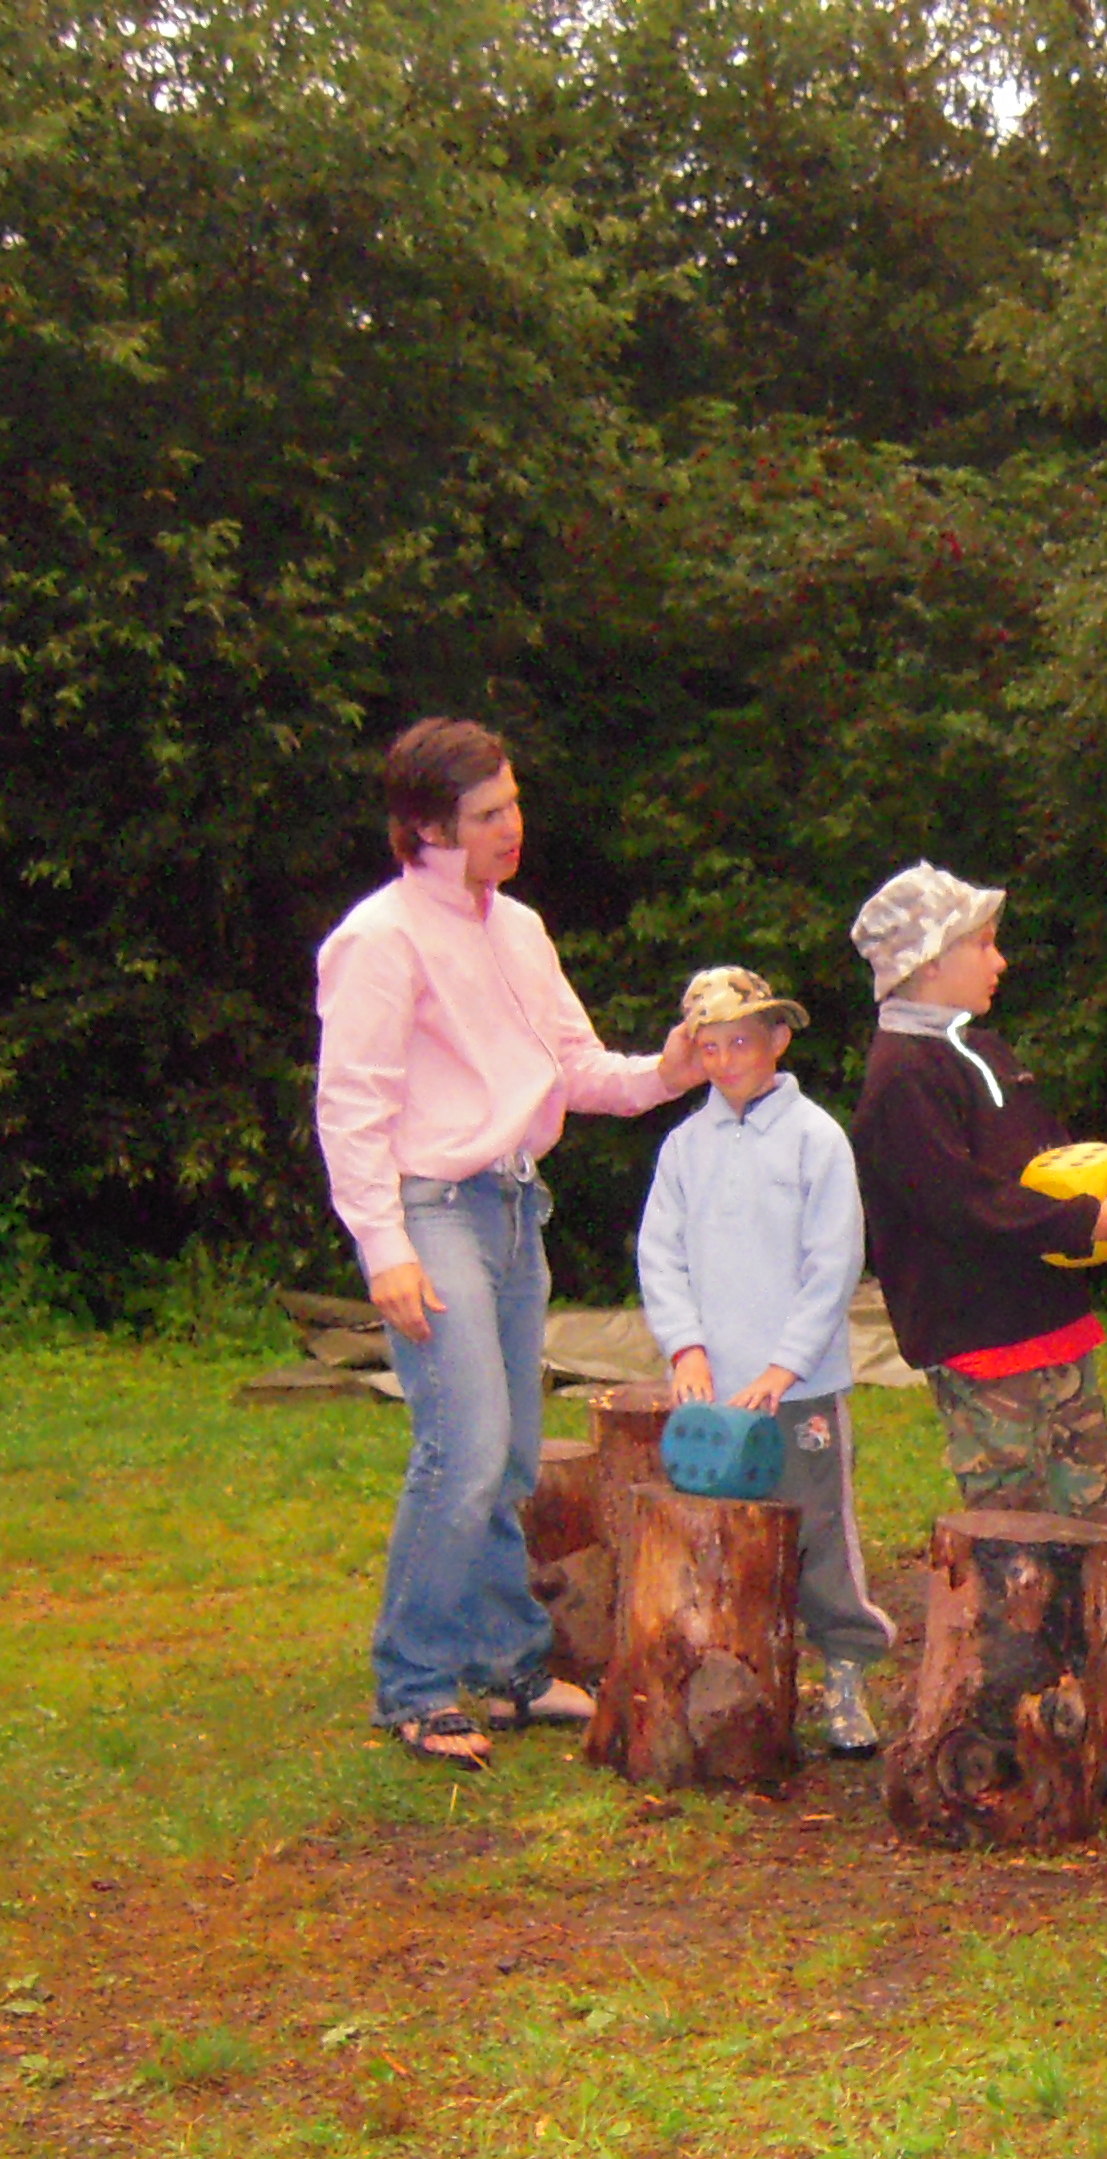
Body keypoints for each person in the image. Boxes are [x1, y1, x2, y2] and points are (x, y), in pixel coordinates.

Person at [314, 718, 702, 1771]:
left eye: (514, 803)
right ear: (429, 830)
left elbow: (573, 1067)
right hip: (430, 1209)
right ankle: (415, 1685)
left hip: (515, 1207)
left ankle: (509, 1668)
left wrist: (668, 1070)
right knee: (465, 1447)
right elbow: (350, 1106)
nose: (512, 826)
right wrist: (384, 1247)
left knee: (515, 1455)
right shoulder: (379, 939)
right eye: (488, 814)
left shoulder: (520, 929)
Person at [634, 966, 892, 1757]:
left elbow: (833, 1262)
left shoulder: (815, 1138)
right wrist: (686, 1346)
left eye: (741, 1042)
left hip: (798, 1390)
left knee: (817, 1535)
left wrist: (786, 1366)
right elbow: (660, 1254)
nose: (725, 1061)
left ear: (778, 1038)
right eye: (708, 1047)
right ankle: (731, 1680)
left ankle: (845, 1673)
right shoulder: (684, 1147)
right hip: (710, 1393)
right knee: (715, 1538)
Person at [850, 862, 1107, 1519]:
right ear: (930, 960)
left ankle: (1085, 1591)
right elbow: (962, 1202)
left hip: (1050, 1319)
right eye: (984, 944)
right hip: (981, 1338)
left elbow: (1049, 1163)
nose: (1001, 962)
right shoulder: (902, 1076)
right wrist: (1088, 1221)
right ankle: (1015, 1595)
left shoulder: (986, 1049)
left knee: (1090, 1503)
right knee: (1011, 1526)